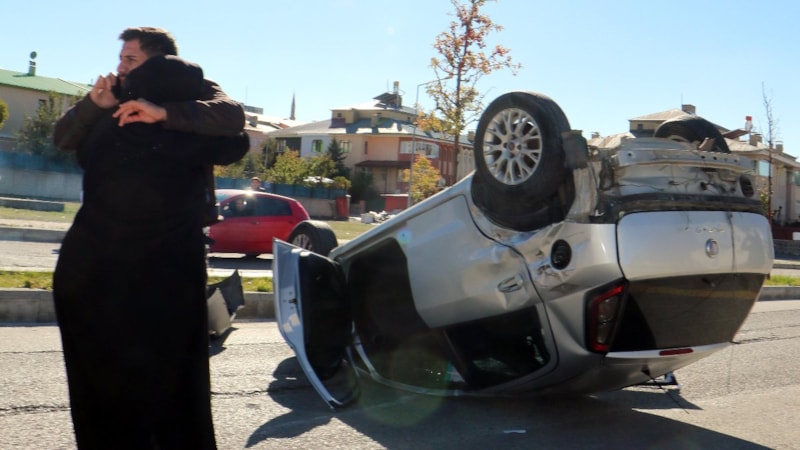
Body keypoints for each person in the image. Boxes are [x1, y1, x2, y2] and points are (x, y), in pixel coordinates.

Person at [52, 27, 247, 450]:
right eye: (121, 58)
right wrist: (94, 105)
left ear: (158, 64)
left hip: (137, 258)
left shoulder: (194, 92)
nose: (120, 68)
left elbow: (233, 117)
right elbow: (63, 137)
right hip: (121, 260)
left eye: (131, 60)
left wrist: (163, 112)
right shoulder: (114, 101)